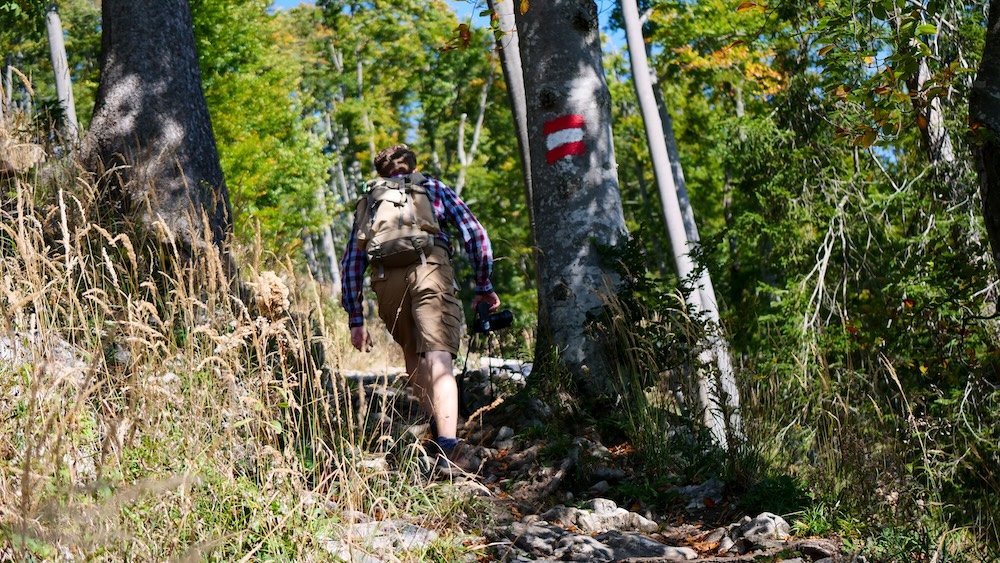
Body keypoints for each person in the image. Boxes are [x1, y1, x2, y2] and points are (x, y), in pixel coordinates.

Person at [340, 144, 501, 475]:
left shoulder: (369, 201)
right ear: (412, 166)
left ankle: (435, 425)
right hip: (430, 269)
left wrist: (356, 318)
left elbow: (352, 262)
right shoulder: (432, 187)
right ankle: (449, 447)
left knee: (413, 354)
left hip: (386, 281)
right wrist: (484, 286)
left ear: (382, 172)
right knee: (438, 352)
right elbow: (475, 235)